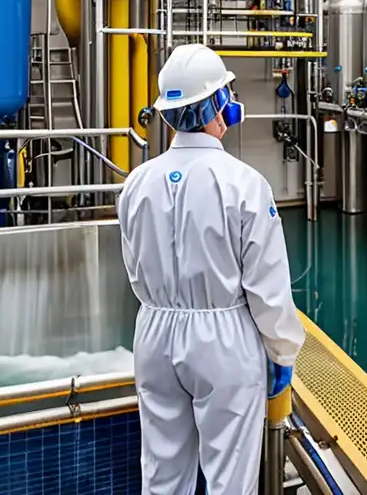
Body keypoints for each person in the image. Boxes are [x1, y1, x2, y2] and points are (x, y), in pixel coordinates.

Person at [118, 43, 305, 495]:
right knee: (229, 479)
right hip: (223, 343)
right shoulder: (244, 183)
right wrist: (282, 353)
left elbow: (134, 270)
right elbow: (268, 287)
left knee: (162, 475)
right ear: (218, 104)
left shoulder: (136, 183)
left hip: (155, 337)